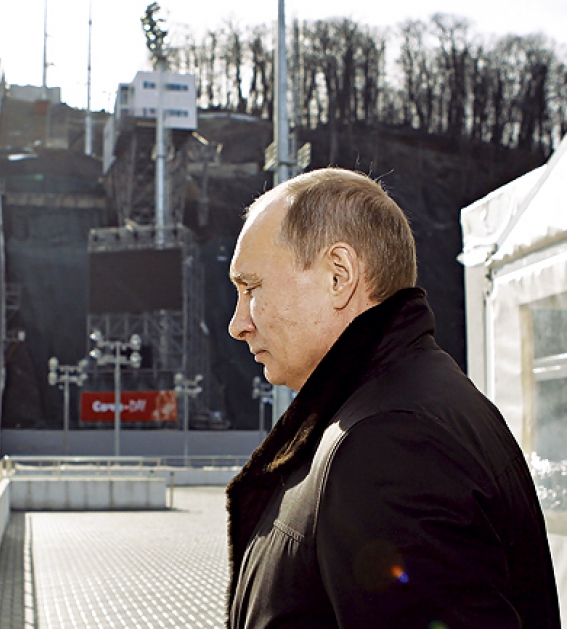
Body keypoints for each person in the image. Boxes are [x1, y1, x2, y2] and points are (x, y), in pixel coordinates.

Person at [225, 168, 559, 627]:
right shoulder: (404, 404)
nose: (237, 323)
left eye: (251, 288)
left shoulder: (389, 442)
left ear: (338, 276)